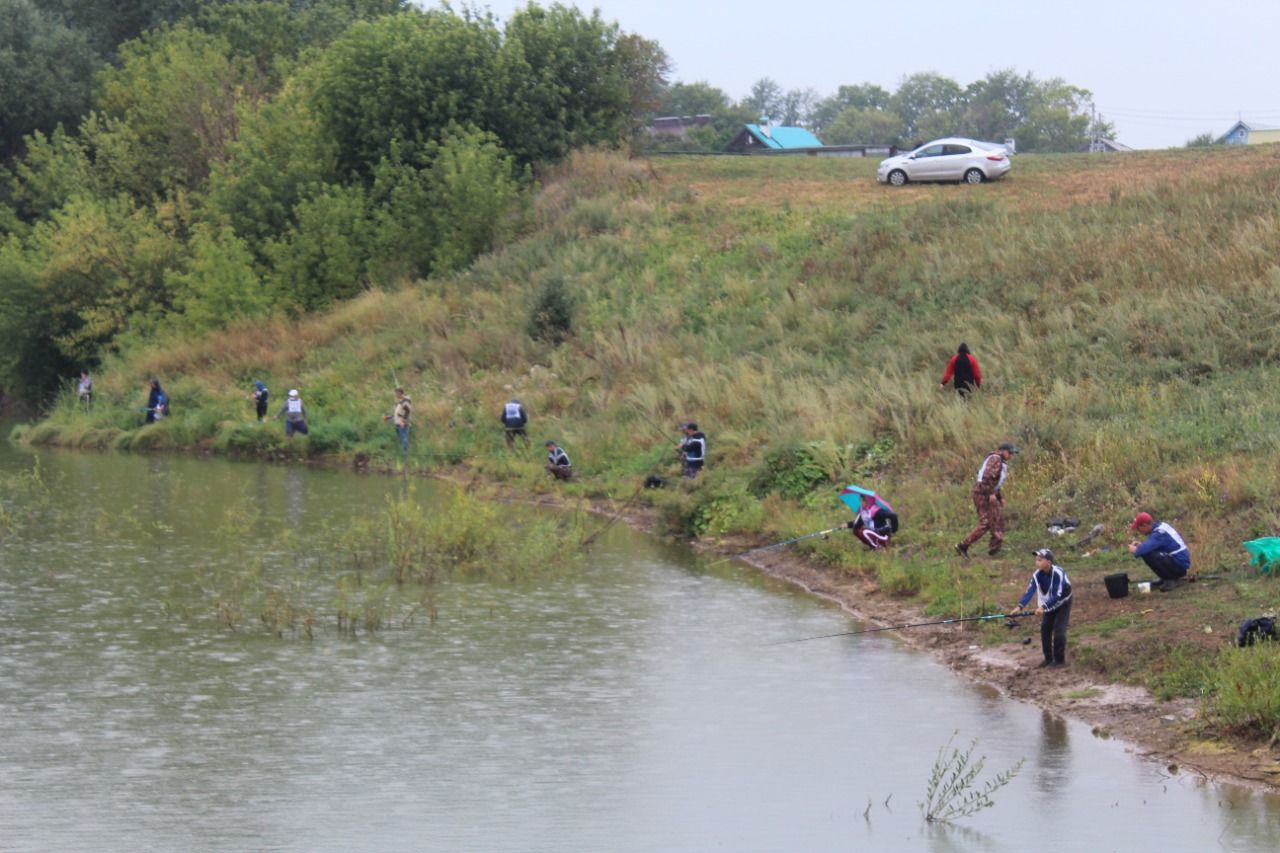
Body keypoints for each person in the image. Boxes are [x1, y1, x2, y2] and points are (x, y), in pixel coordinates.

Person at [956, 442, 1018, 558]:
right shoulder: (996, 459)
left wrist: (1000, 497)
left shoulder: (1000, 461)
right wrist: (990, 494)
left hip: (985, 492)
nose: (1011, 456)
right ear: (1003, 451)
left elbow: (995, 482)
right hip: (982, 494)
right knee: (986, 522)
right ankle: (963, 546)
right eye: (1010, 453)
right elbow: (987, 478)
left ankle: (994, 547)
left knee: (996, 519)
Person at [1014, 548, 1073, 668]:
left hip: (1063, 603)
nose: (1037, 562)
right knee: (1045, 629)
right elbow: (1030, 591)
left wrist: (1043, 607)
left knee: (1059, 631)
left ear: (1049, 563)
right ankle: (1048, 659)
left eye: (1040, 560)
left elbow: (1057, 595)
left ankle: (1059, 661)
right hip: (1049, 604)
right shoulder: (1037, 574)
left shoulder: (1058, 573)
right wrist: (1020, 606)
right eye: (1036, 560)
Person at [1128, 512, 1190, 591]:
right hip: (1178, 562)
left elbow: (1142, 551)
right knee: (1148, 552)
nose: (1138, 531)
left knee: (1149, 554)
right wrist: (1141, 546)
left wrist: (1135, 550)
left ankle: (1170, 579)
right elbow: (1153, 546)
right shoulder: (1160, 528)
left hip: (1180, 565)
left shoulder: (1160, 533)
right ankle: (1165, 578)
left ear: (1144, 525)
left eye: (1138, 528)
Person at [384, 387, 412, 452]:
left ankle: (406, 454)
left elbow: (408, 411)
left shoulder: (404, 401)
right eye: (395, 393)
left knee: (404, 438)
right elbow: (398, 413)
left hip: (402, 423)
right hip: (398, 422)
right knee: (400, 437)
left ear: (400, 393)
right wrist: (389, 417)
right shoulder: (400, 401)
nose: (395, 395)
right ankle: (403, 452)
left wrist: (403, 421)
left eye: (396, 394)